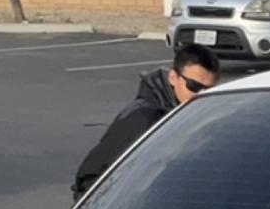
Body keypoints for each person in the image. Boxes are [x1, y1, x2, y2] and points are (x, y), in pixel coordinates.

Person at [71, 45, 220, 198]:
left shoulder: (191, 115)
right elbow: (91, 178)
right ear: (173, 77)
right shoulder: (143, 117)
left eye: (208, 90)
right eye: (194, 86)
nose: (201, 95)